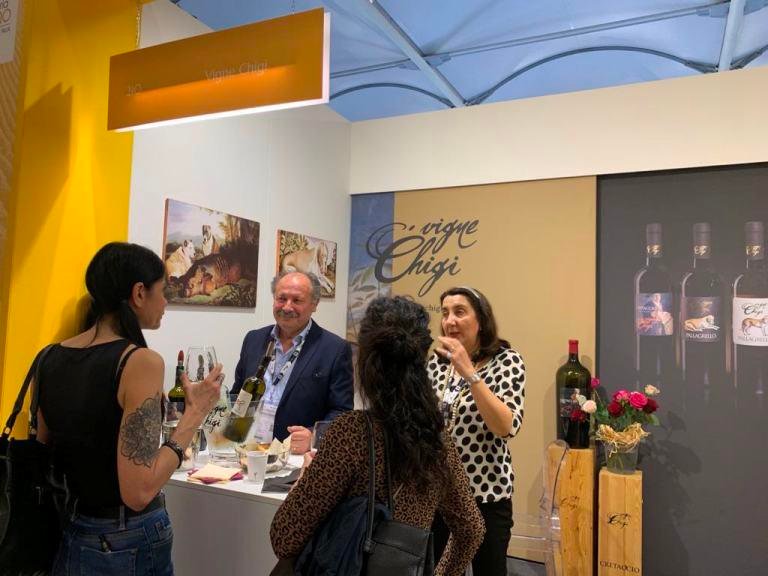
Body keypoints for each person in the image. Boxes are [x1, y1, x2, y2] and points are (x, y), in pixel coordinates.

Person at [35, 242, 222, 575]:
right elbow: (139, 491)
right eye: (162, 292)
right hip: (124, 539)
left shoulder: (48, 357)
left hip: (70, 530)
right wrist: (194, 414)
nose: (165, 303)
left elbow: (45, 447)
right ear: (139, 293)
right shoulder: (139, 362)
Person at [270, 296, 485, 576]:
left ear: (366, 360)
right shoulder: (435, 440)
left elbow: (284, 537)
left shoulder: (351, 433)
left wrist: (305, 478)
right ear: (421, 359)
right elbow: (471, 528)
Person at [428, 285, 525, 576]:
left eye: (460, 312)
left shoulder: (507, 361)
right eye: (445, 313)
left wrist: (469, 372)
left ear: (481, 320)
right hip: (440, 495)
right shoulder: (436, 363)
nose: (450, 321)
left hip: (485, 496)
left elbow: (505, 426)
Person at [232, 270, 353, 452]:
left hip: (294, 457)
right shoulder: (253, 339)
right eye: (281, 298)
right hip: (246, 450)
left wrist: (314, 436)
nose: (287, 307)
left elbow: (342, 413)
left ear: (314, 304)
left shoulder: (335, 349)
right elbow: (238, 394)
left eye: (297, 300)